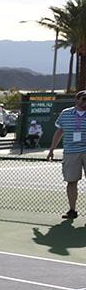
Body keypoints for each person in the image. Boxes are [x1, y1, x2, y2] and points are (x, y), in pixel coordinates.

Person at [46, 90, 86, 220]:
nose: (85, 101)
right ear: (77, 100)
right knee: (71, 181)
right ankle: (72, 210)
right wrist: (52, 149)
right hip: (70, 153)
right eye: (84, 99)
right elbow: (59, 132)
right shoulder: (66, 113)